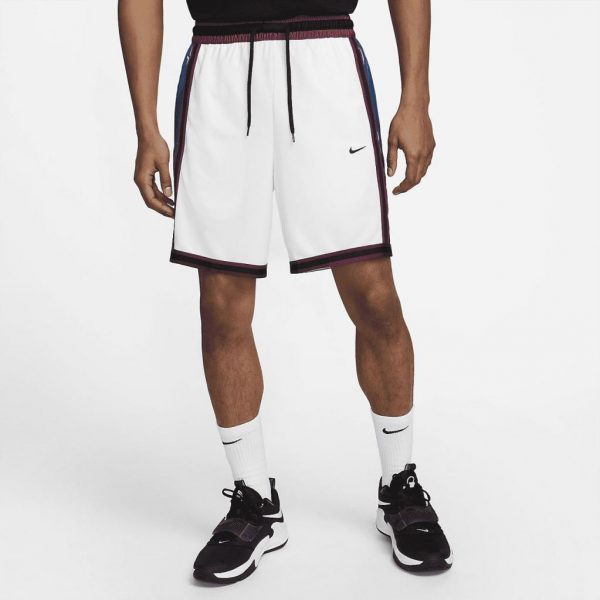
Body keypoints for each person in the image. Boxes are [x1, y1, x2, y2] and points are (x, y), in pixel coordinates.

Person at [119, 0, 453, 584]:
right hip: (220, 67)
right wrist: (146, 125)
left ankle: (399, 485)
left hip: (324, 57)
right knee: (221, 303)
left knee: (373, 294)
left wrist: (416, 97)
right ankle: (254, 500)